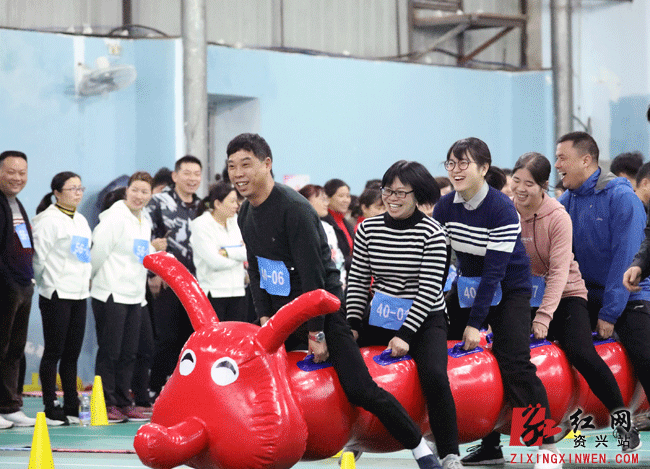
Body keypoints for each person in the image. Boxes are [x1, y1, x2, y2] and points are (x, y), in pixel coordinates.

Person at [228, 133, 442, 469]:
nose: (238, 174)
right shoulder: (245, 213)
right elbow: (256, 269)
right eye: (232, 166)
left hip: (322, 314)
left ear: (267, 164)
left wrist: (317, 332)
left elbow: (314, 277)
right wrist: (265, 317)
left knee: (360, 390)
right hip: (281, 318)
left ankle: (420, 448)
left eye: (246, 164)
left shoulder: (294, 209)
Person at [432, 138, 560, 468]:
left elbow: (493, 273)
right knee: (441, 349)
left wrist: (475, 324)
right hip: (467, 287)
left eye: (464, 163)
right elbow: (440, 261)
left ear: (484, 168)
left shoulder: (502, 209)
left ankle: (545, 447)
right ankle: (485, 445)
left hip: (508, 289)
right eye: (451, 163)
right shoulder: (444, 207)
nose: (456, 170)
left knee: (514, 362)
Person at [511, 152, 639, 452]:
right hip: (524, 296)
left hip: (567, 295)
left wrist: (544, 316)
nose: (520, 189)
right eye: (516, 180)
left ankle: (624, 423)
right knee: (509, 357)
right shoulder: (507, 213)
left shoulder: (558, 216)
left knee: (581, 352)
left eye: (528, 183)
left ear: (543, 185)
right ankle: (497, 442)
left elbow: (558, 272)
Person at [346, 160, 462, 469]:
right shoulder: (367, 229)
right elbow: (358, 280)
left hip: (424, 318)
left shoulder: (433, 233)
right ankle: (354, 439)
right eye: (388, 191)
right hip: (382, 313)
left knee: (435, 377)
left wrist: (406, 335)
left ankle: (449, 453)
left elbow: (429, 290)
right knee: (346, 363)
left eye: (401, 192)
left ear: (418, 195)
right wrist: (353, 323)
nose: (392, 198)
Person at [556, 132, 650, 447]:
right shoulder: (565, 203)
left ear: (586, 160)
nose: (558, 165)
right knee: (574, 349)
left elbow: (626, 260)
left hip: (630, 293)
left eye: (562, 158)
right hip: (585, 295)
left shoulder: (622, 198)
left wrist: (610, 313)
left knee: (644, 354)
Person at [91, 171, 164, 423]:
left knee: (130, 352)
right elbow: (97, 254)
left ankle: (124, 401)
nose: (139, 196)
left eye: (145, 192)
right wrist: (91, 279)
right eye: (135, 190)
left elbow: (140, 255)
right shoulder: (114, 218)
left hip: (135, 296)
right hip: (110, 293)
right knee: (110, 352)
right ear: (127, 190)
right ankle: (107, 402)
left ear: (151, 195)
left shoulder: (144, 220)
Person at [33, 172, 92, 426]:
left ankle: (71, 403)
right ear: (57, 193)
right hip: (56, 293)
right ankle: (50, 405)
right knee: (53, 352)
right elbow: (38, 258)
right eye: (72, 188)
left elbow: (85, 256)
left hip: (79, 293)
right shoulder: (47, 220)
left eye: (80, 188)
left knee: (72, 354)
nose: (78, 193)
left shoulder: (81, 220)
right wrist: (46, 285)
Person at [145, 155, 202, 399]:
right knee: (165, 337)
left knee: (189, 338)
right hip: (166, 281)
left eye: (197, 174)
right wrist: (153, 273)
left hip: (195, 283)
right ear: (175, 176)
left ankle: (182, 389)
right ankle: (154, 387)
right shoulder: (158, 202)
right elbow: (146, 236)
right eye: (187, 173)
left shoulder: (202, 205)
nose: (192, 179)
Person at [0, 151, 36, 429]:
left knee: (14, 349)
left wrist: (27, 281)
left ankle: (9, 405)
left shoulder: (17, 204)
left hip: (23, 286)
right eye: (11, 172)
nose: (17, 178)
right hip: (5, 286)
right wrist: (9, 282)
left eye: (22, 173)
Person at [189, 180, 246, 321]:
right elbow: (215, 262)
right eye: (232, 201)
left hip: (238, 291)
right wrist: (239, 258)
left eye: (237, 201)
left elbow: (249, 252)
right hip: (213, 293)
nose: (236, 205)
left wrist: (227, 252)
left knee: (237, 334)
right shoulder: (201, 225)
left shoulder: (236, 222)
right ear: (218, 204)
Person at [298, 184, 346, 286]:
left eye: (326, 199)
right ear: (306, 201)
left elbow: (338, 259)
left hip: (334, 284)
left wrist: (340, 281)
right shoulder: (299, 228)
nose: (326, 203)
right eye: (322, 199)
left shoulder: (328, 228)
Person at [322, 178, 355, 274]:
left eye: (348, 196)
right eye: (341, 196)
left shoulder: (345, 222)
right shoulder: (324, 223)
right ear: (328, 198)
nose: (346, 200)